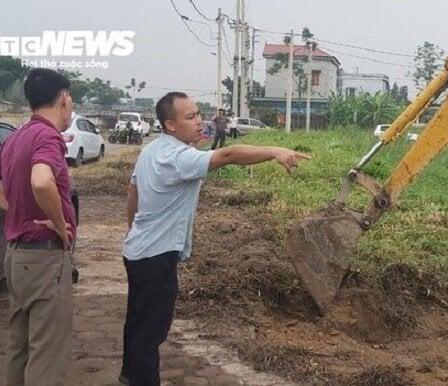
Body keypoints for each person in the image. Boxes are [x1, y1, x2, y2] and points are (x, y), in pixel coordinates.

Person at [118, 92, 310, 385]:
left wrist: (134, 231)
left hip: (138, 252)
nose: (200, 121)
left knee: (138, 323)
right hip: (156, 257)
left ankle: (129, 376)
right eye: (191, 117)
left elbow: (133, 192)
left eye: (199, 114)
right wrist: (274, 151)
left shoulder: (152, 150)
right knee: (151, 333)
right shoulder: (178, 156)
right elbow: (229, 155)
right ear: (169, 124)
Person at [0, 68, 77, 386]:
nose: (71, 104)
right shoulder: (47, 137)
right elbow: (41, 180)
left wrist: (14, 207)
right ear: (62, 98)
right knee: (47, 354)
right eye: (70, 98)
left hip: (18, 258)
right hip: (44, 258)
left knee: (20, 346)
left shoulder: (19, 135)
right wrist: (60, 225)